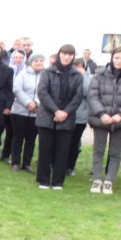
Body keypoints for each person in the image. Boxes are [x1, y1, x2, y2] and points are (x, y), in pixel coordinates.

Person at [86, 46, 121, 194]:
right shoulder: (99, 74)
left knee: (115, 152)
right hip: (101, 119)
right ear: (112, 58)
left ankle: (109, 181)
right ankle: (97, 180)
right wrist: (102, 113)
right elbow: (92, 95)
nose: (119, 61)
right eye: (117, 57)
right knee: (99, 150)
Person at [36, 44, 86, 191]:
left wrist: (65, 112)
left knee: (62, 151)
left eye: (70, 55)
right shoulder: (48, 72)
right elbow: (43, 93)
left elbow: (78, 96)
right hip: (47, 117)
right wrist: (56, 111)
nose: (66, 57)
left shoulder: (77, 75)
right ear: (59, 54)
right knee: (45, 150)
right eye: (64, 54)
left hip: (67, 118)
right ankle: (44, 180)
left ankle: (58, 182)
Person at [10, 53, 45, 172]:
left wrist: (36, 103)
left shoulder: (46, 76)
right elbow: (17, 89)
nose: (39, 63)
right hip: (20, 111)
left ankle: (27, 163)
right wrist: (28, 102)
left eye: (41, 60)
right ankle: (15, 162)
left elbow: (46, 91)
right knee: (18, 137)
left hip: (36, 112)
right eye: (36, 61)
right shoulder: (23, 74)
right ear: (31, 62)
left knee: (31, 138)